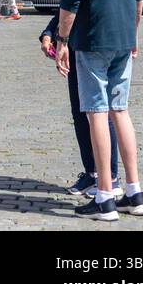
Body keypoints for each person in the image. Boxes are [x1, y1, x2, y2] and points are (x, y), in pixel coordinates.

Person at [56, 0, 143, 222]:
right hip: (123, 36)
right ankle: (135, 191)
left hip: (92, 38)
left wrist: (62, 40)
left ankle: (106, 195)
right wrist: (133, 32)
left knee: (96, 111)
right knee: (120, 110)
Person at [39, 13, 119, 199]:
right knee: (81, 113)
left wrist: (61, 40)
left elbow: (73, 0)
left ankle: (110, 178)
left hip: (92, 42)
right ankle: (93, 173)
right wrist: (49, 32)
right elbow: (67, 3)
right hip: (79, 42)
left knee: (100, 114)